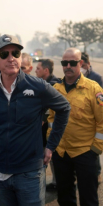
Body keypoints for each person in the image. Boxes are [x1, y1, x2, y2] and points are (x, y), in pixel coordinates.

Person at [0, 34, 70, 206]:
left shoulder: (38, 87)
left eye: (15, 53)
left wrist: (51, 146)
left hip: (29, 172)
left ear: (21, 56)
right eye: (4, 54)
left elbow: (64, 108)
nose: (11, 58)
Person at [47, 48, 103, 206]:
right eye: (64, 63)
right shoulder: (56, 88)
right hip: (61, 152)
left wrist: (95, 150)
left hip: (85, 153)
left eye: (73, 63)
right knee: (64, 196)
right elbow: (51, 118)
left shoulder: (93, 89)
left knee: (88, 199)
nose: (68, 66)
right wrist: (52, 141)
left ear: (80, 63)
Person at [35, 59, 60, 191]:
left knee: (52, 158)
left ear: (46, 70)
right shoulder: (40, 83)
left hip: (49, 129)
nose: (35, 70)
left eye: (38, 68)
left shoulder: (55, 85)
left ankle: (57, 183)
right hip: (43, 130)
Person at [81, 52, 103, 182]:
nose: (81, 67)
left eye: (83, 65)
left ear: (88, 64)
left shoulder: (97, 78)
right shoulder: (75, 76)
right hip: (81, 118)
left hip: (93, 118)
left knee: (94, 149)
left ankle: (97, 173)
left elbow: (101, 100)